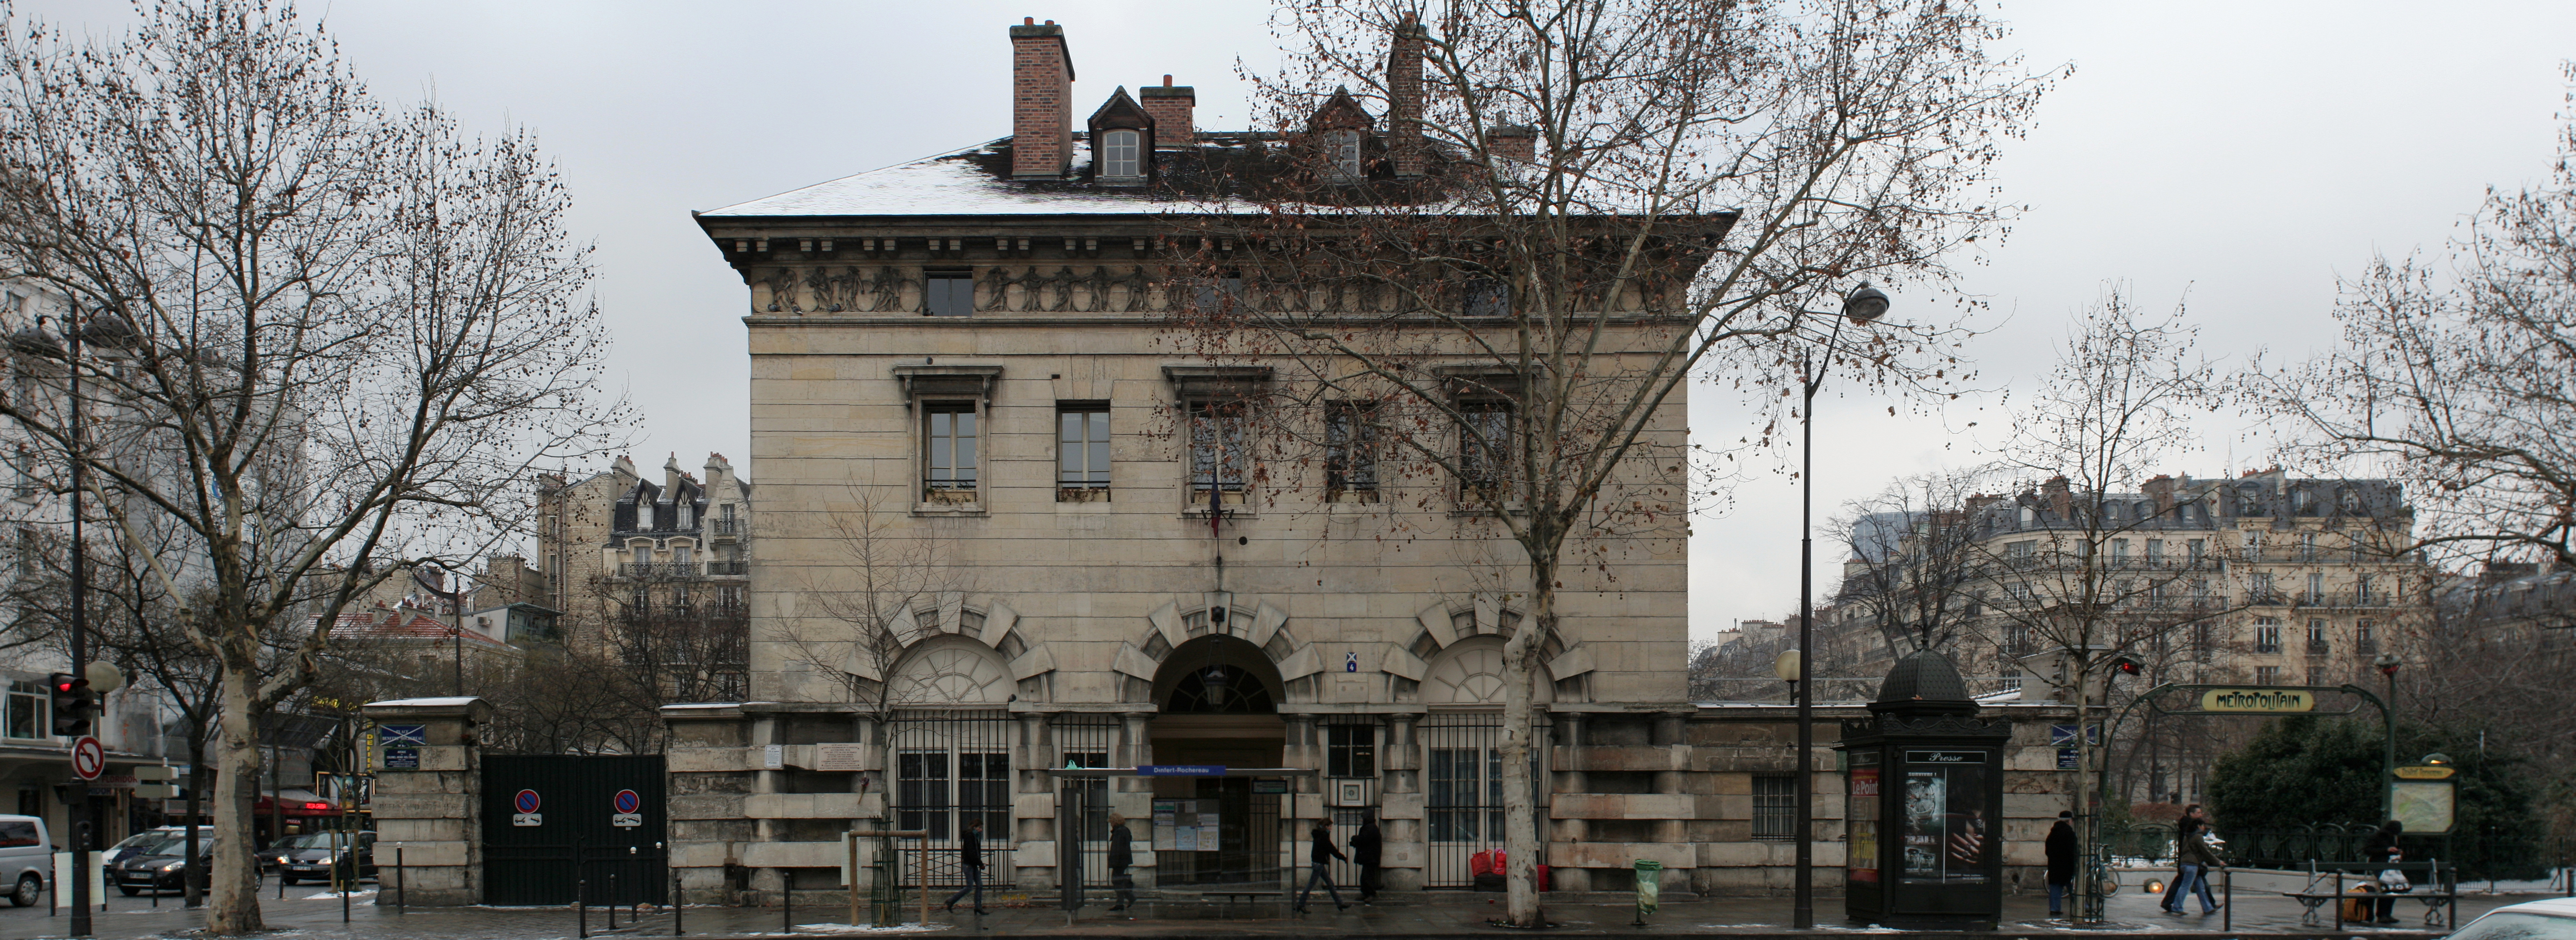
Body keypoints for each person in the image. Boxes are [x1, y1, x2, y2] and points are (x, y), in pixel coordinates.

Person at [2163, 805, 2221, 915]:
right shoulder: (2192, 830)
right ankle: (2177, 906)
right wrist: (2217, 862)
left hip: (2188, 861)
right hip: (2192, 862)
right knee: (2189, 886)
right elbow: (2202, 849)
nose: (2201, 815)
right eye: (2199, 813)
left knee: (2199, 886)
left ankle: (2208, 906)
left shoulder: (2189, 828)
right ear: (2192, 814)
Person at [1292, 820, 1350, 914]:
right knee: (1311, 885)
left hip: (1319, 863)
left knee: (1330, 883)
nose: (1331, 829)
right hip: (1319, 864)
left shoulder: (1319, 835)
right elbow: (1332, 849)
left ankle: (1340, 903)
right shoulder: (1323, 836)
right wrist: (1343, 858)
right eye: (1330, 826)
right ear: (1326, 826)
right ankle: (1301, 904)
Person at [2363, 819, 2404, 925]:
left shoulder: (2394, 837)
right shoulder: (2379, 836)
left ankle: (2387, 914)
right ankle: (2382, 915)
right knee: (2386, 889)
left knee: (2392, 890)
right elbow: (2368, 850)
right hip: (2380, 865)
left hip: (2391, 865)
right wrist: (2387, 850)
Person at [944, 818, 986, 915]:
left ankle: (978, 907)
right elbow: (972, 853)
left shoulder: (974, 836)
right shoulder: (970, 836)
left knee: (979, 885)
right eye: (980, 828)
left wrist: (978, 863)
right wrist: (981, 864)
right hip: (969, 865)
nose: (981, 830)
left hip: (973, 865)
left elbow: (975, 852)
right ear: (975, 827)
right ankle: (951, 901)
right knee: (969, 887)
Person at [2044, 810, 2077, 917]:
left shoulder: (2052, 833)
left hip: (2054, 865)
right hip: (2067, 865)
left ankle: (2055, 909)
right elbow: (2073, 850)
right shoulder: (2069, 833)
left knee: (2055, 887)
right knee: (2073, 887)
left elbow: (2047, 851)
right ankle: (2082, 907)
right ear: (2069, 821)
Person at [1351, 813, 1385, 905]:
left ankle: (1371, 894)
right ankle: (1366, 893)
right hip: (1369, 857)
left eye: (1363, 818)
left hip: (1371, 857)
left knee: (1368, 877)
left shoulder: (1370, 828)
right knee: (1365, 876)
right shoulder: (1370, 827)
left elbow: (1364, 839)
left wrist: (1354, 838)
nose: (1362, 820)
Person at [1106, 813, 1137, 912]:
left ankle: (1126, 900)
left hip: (1119, 861)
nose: (1111, 824)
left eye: (1111, 822)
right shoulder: (1124, 830)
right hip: (1123, 860)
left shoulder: (1120, 831)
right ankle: (1122, 902)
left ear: (1115, 821)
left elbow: (1117, 848)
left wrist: (1113, 862)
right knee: (1117, 881)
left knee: (1116, 881)